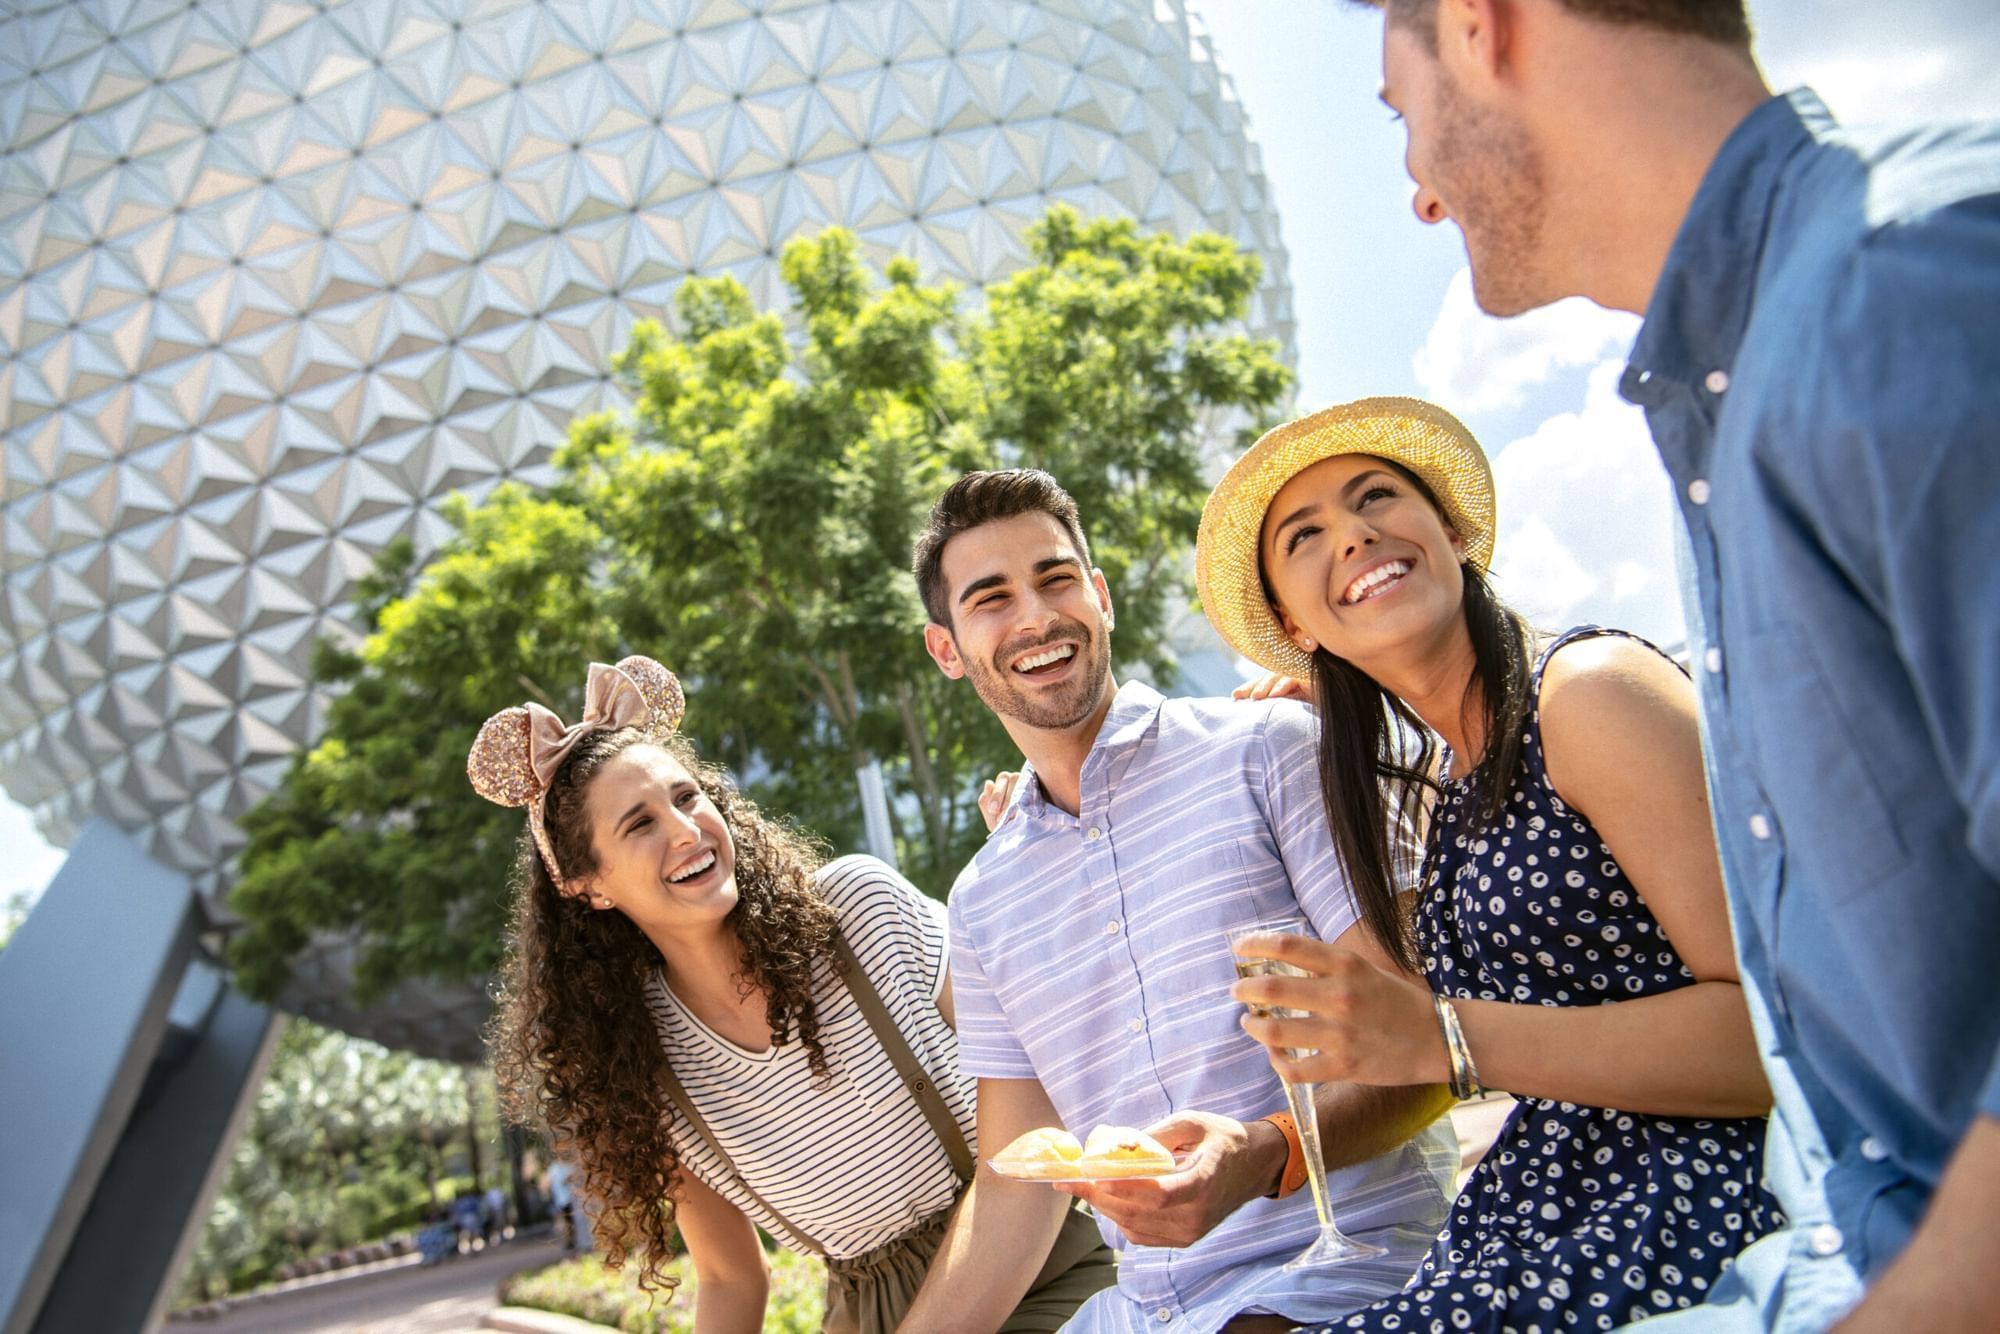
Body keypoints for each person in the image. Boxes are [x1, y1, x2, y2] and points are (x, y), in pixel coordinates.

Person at [1348, 1, 2000, 1327]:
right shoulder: (1742, 387)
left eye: (1399, 114)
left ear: (1482, 27)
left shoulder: (1901, 294)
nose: (1416, 191)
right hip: (1827, 1246)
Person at [1194, 396, 1780, 1330]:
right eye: (1304, 537)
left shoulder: (1588, 694)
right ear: (1294, 624)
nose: (1353, 535)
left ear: (1454, 531)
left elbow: (1777, 1038)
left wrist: (1444, 1036)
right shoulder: (1462, 783)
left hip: (1680, 1202)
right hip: (1545, 1213)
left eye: (1376, 497)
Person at [898, 469, 1460, 1333]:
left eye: (1055, 579)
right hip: (1144, 1310)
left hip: (1349, 1267)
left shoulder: (1273, 748)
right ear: (947, 650)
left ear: (1101, 596)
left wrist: (1262, 1157)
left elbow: (1429, 1036)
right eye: (991, 599)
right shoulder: (981, 905)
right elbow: (1016, 1187)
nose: (1036, 617)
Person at [472, 656, 1114, 1333]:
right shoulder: (640, 1064)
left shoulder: (858, 914)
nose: (687, 831)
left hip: (1035, 1260)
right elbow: (729, 1277)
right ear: (588, 886)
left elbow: (1041, 1116)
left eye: (687, 797)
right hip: (867, 1313)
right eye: (640, 824)